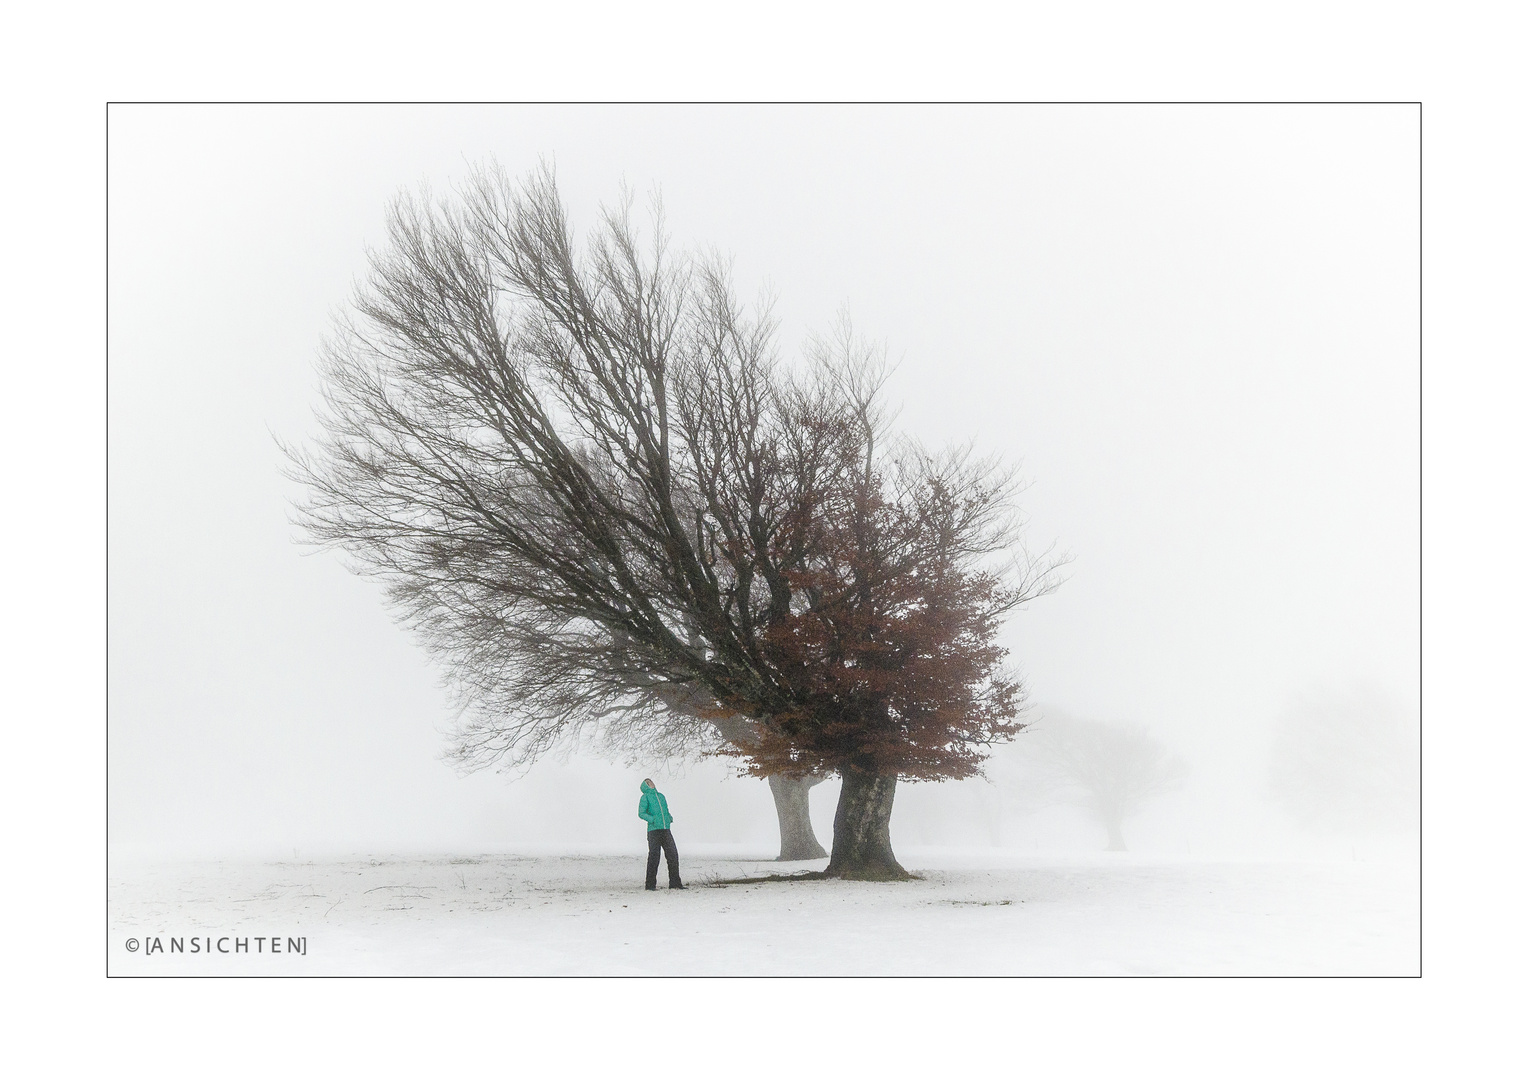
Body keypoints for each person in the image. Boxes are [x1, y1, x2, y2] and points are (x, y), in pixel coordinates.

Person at [638, 778, 685, 890]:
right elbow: (641, 813)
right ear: (645, 786)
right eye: (648, 783)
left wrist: (669, 817)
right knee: (654, 857)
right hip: (653, 831)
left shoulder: (661, 796)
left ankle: (675, 883)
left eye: (651, 781)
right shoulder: (645, 797)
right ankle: (650, 885)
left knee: (673, 854)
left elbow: (666, 810)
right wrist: (653, 819)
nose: (652, 783)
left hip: (666, 829)